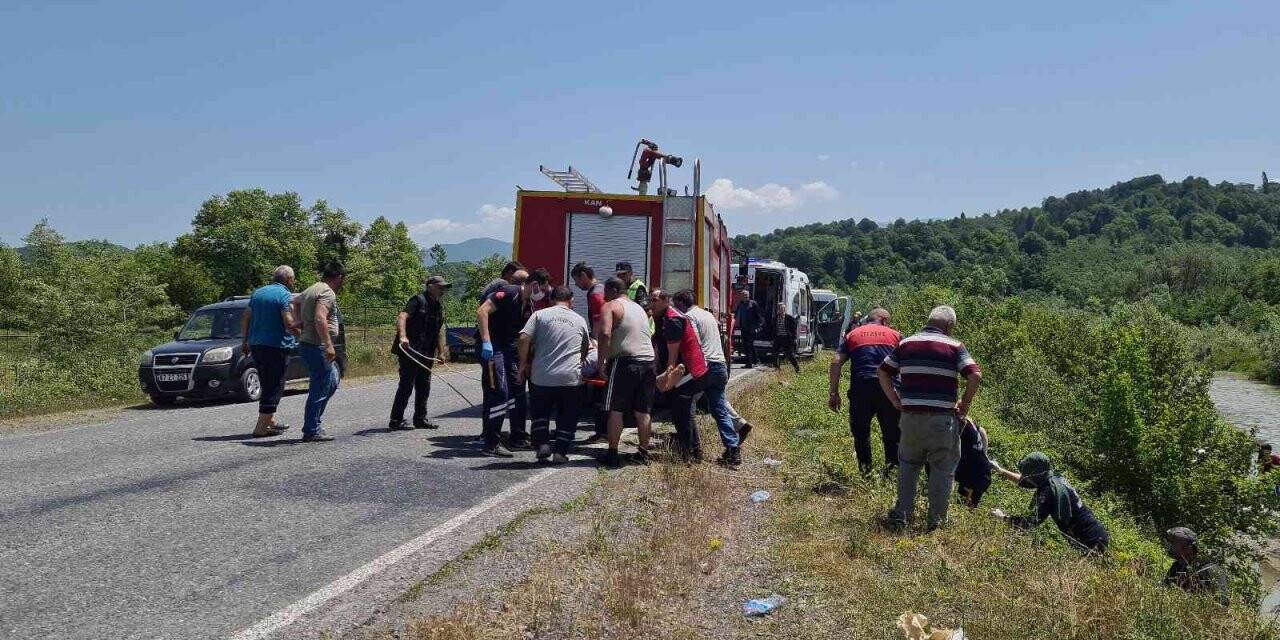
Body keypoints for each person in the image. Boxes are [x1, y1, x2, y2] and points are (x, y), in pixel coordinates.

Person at [878, 305, 982, 531]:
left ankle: (901, 515)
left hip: (910, 418)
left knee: (908, 467)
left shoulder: (906, 344)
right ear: (949, 325)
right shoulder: (955, 346)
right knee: (942, 471)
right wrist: (964, 405)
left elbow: (883, 371)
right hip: (942, 421)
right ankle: (936, 522)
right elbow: (974, 374)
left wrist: (895, 400)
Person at [518, 286, 590, 464]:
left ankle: (542, 444)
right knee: (567, 415)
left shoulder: (539, 315)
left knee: (540, 412)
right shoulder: (579, 320)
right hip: (570, 378)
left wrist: (523, 364)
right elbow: (585, 348)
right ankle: (560, 452)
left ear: (551, 299)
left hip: (541, 376)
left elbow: (523, 338)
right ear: (571, 300)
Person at [674, 289, 745, 466]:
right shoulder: (708, 316)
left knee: (683, 398)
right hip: (720, 365)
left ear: (682, 303)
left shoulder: (689, 317)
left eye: (676, 305)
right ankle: (733, 449)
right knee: (719, 408)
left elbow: (695, 343)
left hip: (706, 366)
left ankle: (689, 448)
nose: (676, 309)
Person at [476, 269, 543, 456]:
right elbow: (482, 311)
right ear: (533, 284)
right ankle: (491, 442)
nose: (543, 293)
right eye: (542, 288)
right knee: (499, 393)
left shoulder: (529, 306)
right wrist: (486, 341)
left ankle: (517, 437)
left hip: (510, 351)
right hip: (494, 349)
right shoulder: (509, 293)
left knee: (516, 391)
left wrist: (525, 361)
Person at [828, 307, 901, 475]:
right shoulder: (896, 335)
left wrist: (834, 393)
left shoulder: (853, 334)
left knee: (861, 434)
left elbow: (836, 361)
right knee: (893, 434)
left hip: (861, 388)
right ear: (883, 320)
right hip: (889, 389)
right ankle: (892, 474)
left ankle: (866, 473)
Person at [992, 452, 1110, 553]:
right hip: (1098, 534)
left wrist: (1003, 517)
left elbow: (1029, 522)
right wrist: (1000, 470)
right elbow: (1024, 481)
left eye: (1027, 475)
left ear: (1035, 475)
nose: (1025, 477)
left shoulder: (1048, 492)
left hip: (1089, 541)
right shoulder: (1054, 478)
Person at [598, 277, 657, 468]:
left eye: (606, 292)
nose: (604, 297)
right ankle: (643, 452)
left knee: (616, 409)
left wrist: (602, 362)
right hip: (648, 362)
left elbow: (605, 333)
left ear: (613, 290)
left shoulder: (611, 306)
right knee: (643, 411)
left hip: (625, 361)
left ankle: (613, 454)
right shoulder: (639, 308)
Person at [240, 265, 301, 438]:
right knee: (275, 385)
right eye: (293, 279)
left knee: (266, 382)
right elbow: (289, 323)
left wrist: (244, 341)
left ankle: (270, 421)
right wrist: (303, 337)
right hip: (276, 346)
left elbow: (245, 316)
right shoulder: (284, 295)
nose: (293, 282)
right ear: (288, 279)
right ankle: (260, 427)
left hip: (256, 345)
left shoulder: (258, 293)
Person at [650, 289, 710, 462]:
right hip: (688, 371)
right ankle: (695, 452)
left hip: (689, 371)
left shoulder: (672, 319)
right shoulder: (663, 317)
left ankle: (687, 454)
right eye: (651, 299)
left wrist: (667, 377)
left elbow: (673, 354)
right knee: (684, 413)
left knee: (680, 413)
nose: (651, 303)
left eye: (655, 300)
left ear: (666, 301)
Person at [389, 275, 449, 431]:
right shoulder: (418, 300)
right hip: (410, 349)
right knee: (407, 385)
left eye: (444, 287)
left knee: (424, 385)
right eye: (440, 286)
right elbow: (402, 317)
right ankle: (396, 420)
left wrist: (441, 352)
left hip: (426, 352)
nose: (443, 290)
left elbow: (438, 331)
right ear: (430, 286)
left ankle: (420, 419)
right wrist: (403, 336)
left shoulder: (438, 307)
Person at [298, 261, 347, 443]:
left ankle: (314, 424)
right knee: (321, 386)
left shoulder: (312, 288)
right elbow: (320, 317)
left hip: (308, 344)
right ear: (339, 277)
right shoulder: (327, 292)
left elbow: (293, 301)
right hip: (317, 346)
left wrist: (297, 323)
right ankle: (312, 429)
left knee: (331, 380)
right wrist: (328, 344)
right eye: (343, 279)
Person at [571, 262, 610, 445]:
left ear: (584, 275)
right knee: (600, 393)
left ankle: (602, 431)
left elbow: (599, 323)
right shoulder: (601, 289)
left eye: (577, 280)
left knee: (597, 390)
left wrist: (595, 345)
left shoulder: (595, 294)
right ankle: (602, 430)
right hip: (606, 346)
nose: (577, 285)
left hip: (600, 346)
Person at [1162, 527, 1230, 606]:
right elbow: (1164, 588)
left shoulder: (1211, 569)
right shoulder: (1178, 566)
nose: (1171, 547)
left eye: (1174, 544)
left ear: (1188, 548)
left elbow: (1223, 602)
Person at [955, 417, 992, 507]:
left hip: (976, 476)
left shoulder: (962, 421)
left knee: (964, 508)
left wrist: (983, 455)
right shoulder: (963, 420)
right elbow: (981, 430)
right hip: (967, 470)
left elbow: (981, 430)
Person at [733, 288, 763, 368]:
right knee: (748, 345)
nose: (745, 296)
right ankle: (756, 360)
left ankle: (749, 363)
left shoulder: (753, 304)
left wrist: (759, 327)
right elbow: (736, 314)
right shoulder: (740, 304)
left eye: (746, 295)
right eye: (744, 295)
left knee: (748, 345)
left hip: (752, 329)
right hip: (744, 328)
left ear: (749, 295)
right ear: (741, 296)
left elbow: (759, 316)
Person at [771, 301, 801, 373]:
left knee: (790, 354)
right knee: (774, 353)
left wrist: (794, 339)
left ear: (784, 309)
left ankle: (797, 368)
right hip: (778, 338)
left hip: (787, 338)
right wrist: (772, 339)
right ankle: (776, 368)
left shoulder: (789, 318)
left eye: (781, 308)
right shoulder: (775, 318)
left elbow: (794, 330)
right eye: (779, 308)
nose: (780, 310)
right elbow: (772, 329)